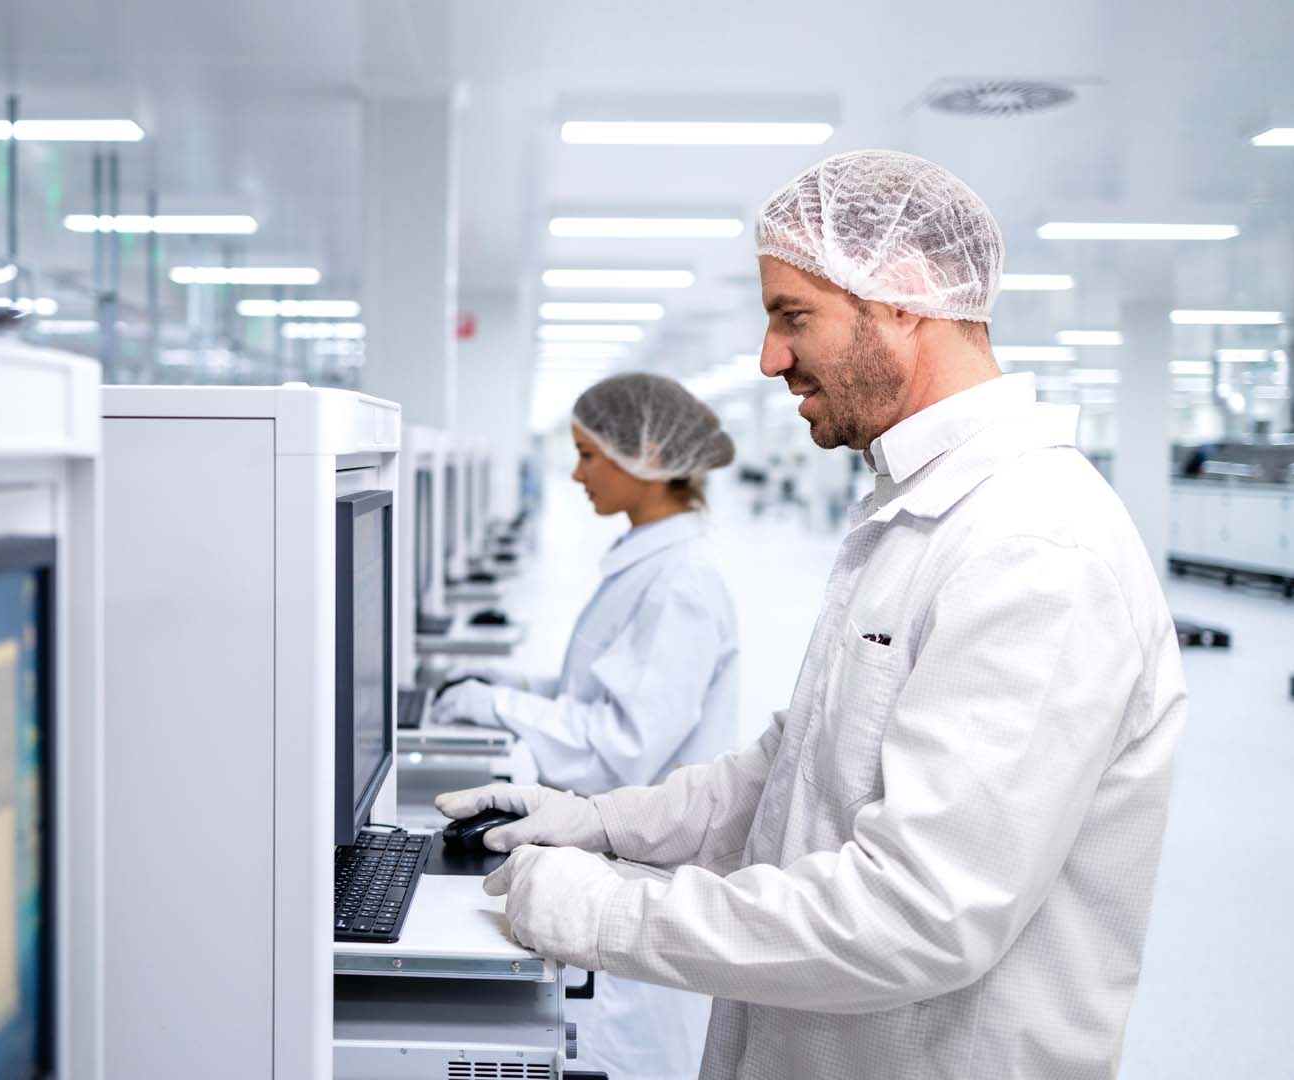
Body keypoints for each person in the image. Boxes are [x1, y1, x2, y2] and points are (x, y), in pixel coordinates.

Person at [437, 150, 1188, 1080]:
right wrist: (600, 822)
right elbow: (789, 771)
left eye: (795, 316)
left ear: (906, 297)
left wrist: (602, 911)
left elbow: (920, 914)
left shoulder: (1032, 548)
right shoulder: (912, 516)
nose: (768, 359)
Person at [432, 372, 740, 1080]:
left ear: (648, 456)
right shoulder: (649, 562)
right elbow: (594, 690)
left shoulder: (680, 582)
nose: (575, 474)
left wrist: (497, 706)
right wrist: (512, 687)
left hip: (646, 876)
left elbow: (619, 749)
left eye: (589, 455)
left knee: (629, 1053)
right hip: (621, 860)